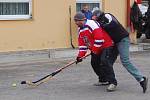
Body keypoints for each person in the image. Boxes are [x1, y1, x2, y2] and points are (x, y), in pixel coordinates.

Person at [92, 10, 148, 93]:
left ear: (98, 15)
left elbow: (112, 23)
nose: (94, 19)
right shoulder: (99, 23)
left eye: (95, 17)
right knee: (106, 61)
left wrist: (100, 24)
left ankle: (141, 79)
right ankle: (109, 81)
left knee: (125, 61)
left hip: (122, 40)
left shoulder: (107, 16)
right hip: (114, 43)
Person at [74, 12, 117, 92]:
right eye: (75, 21)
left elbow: (99, 39)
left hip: (106, 45)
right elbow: (83, 44)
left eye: (77, 21)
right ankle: (103, 80)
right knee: (94, 63)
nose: (76, 23)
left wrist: (94, 50)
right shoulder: (80, 29)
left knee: (104, 61)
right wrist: (80, 56)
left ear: (82, 20)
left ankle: (113, 82)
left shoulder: (91, 24)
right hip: (96, 48)